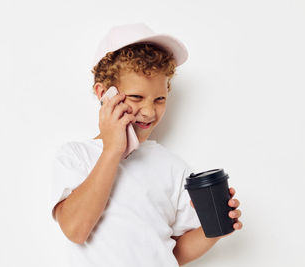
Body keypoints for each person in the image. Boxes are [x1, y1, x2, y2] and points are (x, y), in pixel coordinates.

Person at [50, 22, 243, 267]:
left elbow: (174, 252)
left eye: (160, 99)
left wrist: (214, 229)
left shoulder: (173, 167)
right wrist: (112, 149)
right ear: (103, 93)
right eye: (136, 97)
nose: (149, 111)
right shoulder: (76, 156)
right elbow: (75, 230)